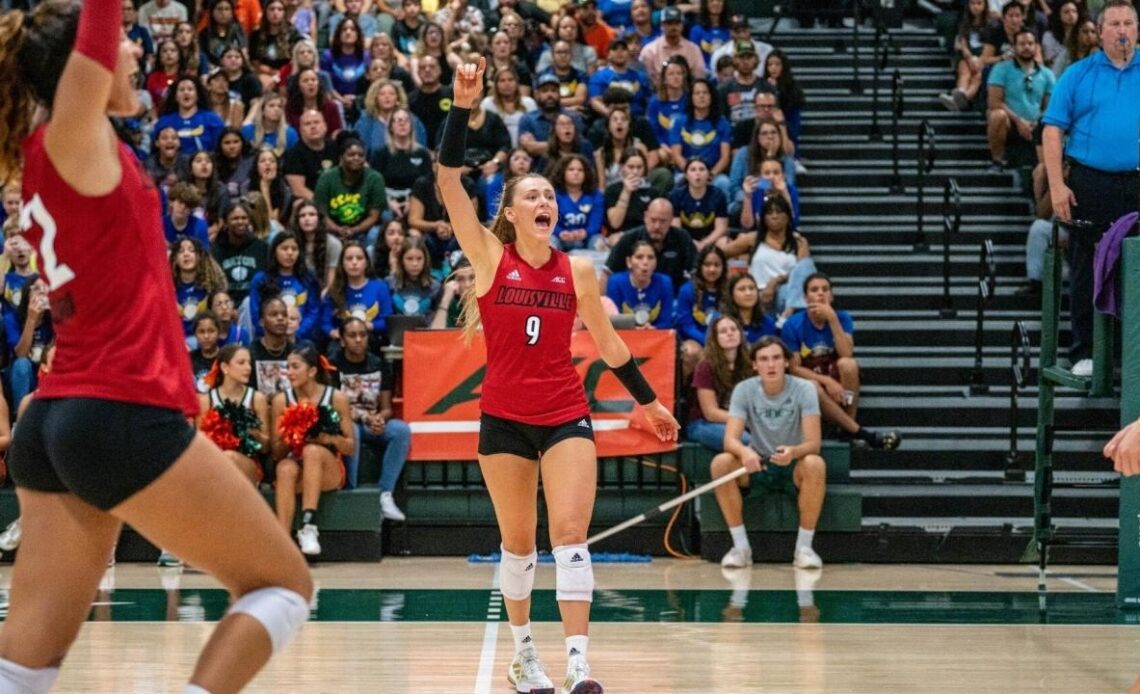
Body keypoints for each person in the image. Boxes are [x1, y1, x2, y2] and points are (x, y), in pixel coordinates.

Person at [0, 3, 311, 691]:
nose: (136, 56)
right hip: (118, 410)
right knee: (282, 586)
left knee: (23, 667)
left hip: (56, 419)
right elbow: (100, 26)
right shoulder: (72, 138)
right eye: (122, 48)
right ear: (86, 64)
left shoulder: (52, 152)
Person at [437, 57, 679, 694]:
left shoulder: (579, 273)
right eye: (532, 196)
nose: (544, 200)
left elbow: (610, 346)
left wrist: (649, 403)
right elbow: (448, 183)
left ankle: (577, 662)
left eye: (549, 195)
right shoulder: (490, 259)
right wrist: (462, 107)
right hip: (505, 419)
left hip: (566, 414)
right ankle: (523, 655)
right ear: (512, 215)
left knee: (571, 534)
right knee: (519, 547)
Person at [1042, 0, 1140, 378]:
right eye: (1113, 23)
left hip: (1136, 180)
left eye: (1128, 23)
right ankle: (1085, 350)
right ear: (1099, 32)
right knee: (1086, 264)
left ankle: (1130, 356)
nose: (1121, 30)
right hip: (1090, 181)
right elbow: (1052, 130)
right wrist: (1056, 185)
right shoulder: (1078, 74)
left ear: (1137, 30)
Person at [710, 337, 826, 570]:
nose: (770, 365)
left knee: (815, 463)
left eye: (776, 358)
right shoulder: (744, 390)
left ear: (786, 362)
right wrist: (745, 452)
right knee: (721, 463)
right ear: (755, 365)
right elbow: (730, 440)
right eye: (763, 359)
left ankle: (804, 549)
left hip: (793, 464)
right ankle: (741, 548)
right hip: (759, 464)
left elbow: (814, 443)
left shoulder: (805, 389)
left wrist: (794, 452)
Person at [782, 274, 900, 450]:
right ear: (806, 298)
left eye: (825, 289)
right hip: (813, 382)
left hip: (839, 381)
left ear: (832, 295)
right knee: (812, 385)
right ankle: (857, 432)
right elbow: (794, 369)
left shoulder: (842, 317)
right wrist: (826, 381)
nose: (820, 294)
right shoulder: (792, 324)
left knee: (849, 364)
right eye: (814, 290)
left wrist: (833, 319)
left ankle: (847, 426)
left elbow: (847, 352)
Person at [270, 343, 355, 555]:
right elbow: (275, 452)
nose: (289, 372)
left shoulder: (335, 398)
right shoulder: (282, 401)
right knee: (284, 468)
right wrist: (291, 436)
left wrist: (327, 437)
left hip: (329, 469)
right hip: (296, 467)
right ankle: (283, 542)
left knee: (312, 452)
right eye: (287, 367)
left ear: (312, 371)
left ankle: (308, 526)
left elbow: (350, 447)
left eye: (295, 367)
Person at [331, 317, 410, 520]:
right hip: (345, 424)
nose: (358, 339)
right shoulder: (333, 365)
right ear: (342, 339)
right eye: (352, 335)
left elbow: (386, 408)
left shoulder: (379, 364)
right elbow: (332, 406)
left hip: (371, 424)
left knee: (400, 430)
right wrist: (365, 417)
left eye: (363, 335)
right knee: (353, 431)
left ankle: (385, 495)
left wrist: (379, 419)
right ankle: (352, 492)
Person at [199, 344, 270, 484]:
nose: (248, 368)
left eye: (249, 363)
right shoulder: (206, 401)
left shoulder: (257, 399)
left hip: (249, 464)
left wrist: (250, 431)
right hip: (213, 465)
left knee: (229, 456)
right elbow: (199, 445)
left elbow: (266, 447)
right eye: (241, 363)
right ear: (225, 367)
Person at [985, 29, 1055, 171]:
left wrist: (1037, 122)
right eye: (1022, 44)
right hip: (1010, 122)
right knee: (997, 115)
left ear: (1036, 46)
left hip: (1036, 123)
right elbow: (994, 102)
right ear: (1014, 47)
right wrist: (1019, 121)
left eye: (1030, 43)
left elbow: (1050, 106)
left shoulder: (1047, 74)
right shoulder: (1001, 68)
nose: (1026, 47)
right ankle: (997, 162)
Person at [687, 314, 752, 452]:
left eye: (733, 329)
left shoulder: (748, 364)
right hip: (703, 424)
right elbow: (710, 412)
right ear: (715, 338)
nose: (729, 333)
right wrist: (746, 420)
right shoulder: (705, 366)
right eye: (723, 331)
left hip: (736, 421)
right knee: (746, 441)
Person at [603, 196, 694, 292]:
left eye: (663, 221)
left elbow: (695, 272)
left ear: (671, 220)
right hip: (633, 296)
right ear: (645, 217)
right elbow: (607, 272)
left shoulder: (682, 237)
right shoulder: (629, 238)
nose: (657, 226)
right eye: (653, 220)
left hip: (671, 296)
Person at [320, 241, 393, 341]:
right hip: (342, 342)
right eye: (349, 259)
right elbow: (325, 323)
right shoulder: (334, 290)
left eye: (359, 258)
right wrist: (333, 333)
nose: (354, 262)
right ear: (342, 263)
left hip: (372, 339)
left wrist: (369, 326)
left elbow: (388, 321)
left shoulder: (380, 287)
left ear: (366, 262)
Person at [676, 245, 727, 373]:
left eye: (717, 265)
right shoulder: (687, 290)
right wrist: (709, 342)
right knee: (691, 352)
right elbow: (686, 326)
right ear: (700, 266)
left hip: (724, 339)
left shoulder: (730, 291)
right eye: (707, 264)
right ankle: (687, 392)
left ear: (723, 267)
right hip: (694, 339)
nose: (712, 269)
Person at [639, 7, 707, 86]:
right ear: (661, 25)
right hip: (658, 94)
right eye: (669, 23)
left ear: (682, 25)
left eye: (677, 23)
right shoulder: (649, 50)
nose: (673, 27)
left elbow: (699, 79)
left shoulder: (693, 49)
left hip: (687, 94)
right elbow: (646, 81)